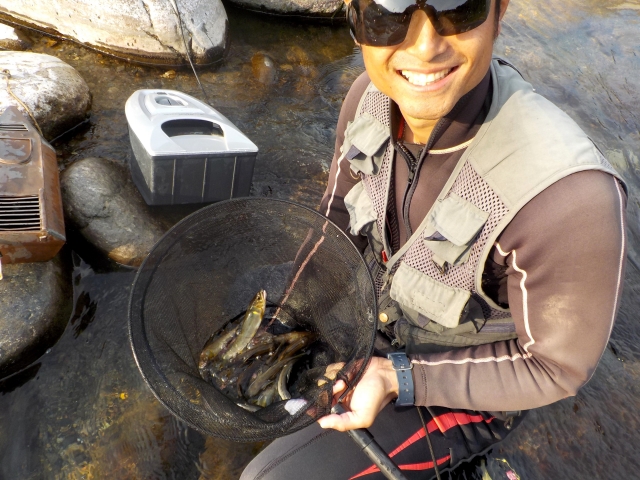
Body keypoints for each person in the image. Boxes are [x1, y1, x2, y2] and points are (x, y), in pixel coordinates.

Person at [241, 0, 627, 478]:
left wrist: (397, 377)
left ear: (499, 12)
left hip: (467, 384)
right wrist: (284, 318)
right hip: (377, 324)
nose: (424, 47)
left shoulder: (569, 196)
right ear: (353, 19)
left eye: (458, 7)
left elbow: (554, 368)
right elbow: (335, 217)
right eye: (388, 12)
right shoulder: (367, 96)